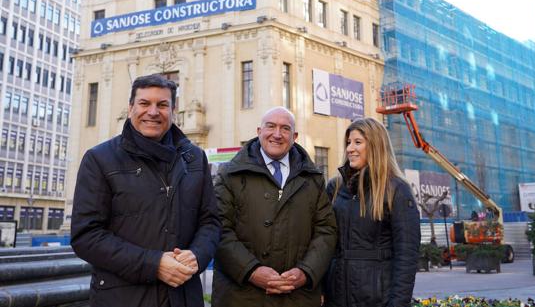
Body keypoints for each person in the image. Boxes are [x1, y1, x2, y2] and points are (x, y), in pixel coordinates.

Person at [71, 74, 221, 307]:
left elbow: (210, 221)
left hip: (183, 296)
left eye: (162, 105)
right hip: (122, 298)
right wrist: (154, 264)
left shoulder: (195, 158)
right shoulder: (99, 159)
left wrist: (197, 255)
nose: (153, 112)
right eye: (144, 103)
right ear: (131, 107)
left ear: (173, 110)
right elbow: (86, 236)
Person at [212, 106, 337, 307]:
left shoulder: (312, 178)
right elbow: (218, 228)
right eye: (270, 126)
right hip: (241, 296)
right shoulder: (230, 175)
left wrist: (306, 272)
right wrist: (251, 271)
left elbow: (327, 230)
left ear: (294, 136)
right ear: (259, 131)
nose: (277, 134)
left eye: (285, 128)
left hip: (297, 296)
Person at [325, 117, 420, 307]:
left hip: (378, 300)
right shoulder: (335, 187)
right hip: (335, 297)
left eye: (358, 142)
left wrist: (398, 303)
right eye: (348, 143)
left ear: (376, 146)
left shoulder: (397, 190)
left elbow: (407, 256)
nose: (350, 148)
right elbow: (324, 243)